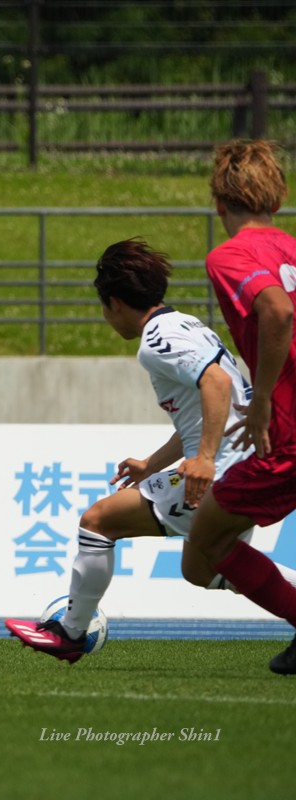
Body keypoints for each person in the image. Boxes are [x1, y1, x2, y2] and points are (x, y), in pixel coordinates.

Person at [5, 238, 296, 663]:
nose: (107, 318)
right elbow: (204, 410)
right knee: (200, 569)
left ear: (116, 303)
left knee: (98, 521)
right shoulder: (187, 324)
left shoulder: (156, 341)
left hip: (222, 468)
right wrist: (152, 463)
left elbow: (217, 384)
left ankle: (70, 632)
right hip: (240, 458)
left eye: (105, 308)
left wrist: (204, 459)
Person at [186, 139, 296, 675]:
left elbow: (277, 312)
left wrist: (262, 402)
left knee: (207, 538)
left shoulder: (229, 256)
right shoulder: (292, 247)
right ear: (276, 198)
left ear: (218, 203)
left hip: (288, 431)